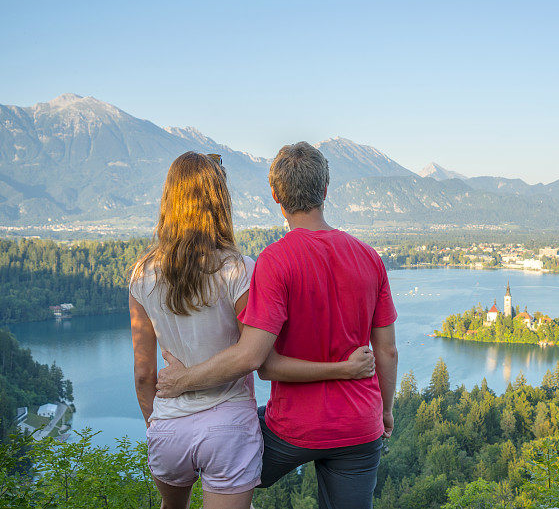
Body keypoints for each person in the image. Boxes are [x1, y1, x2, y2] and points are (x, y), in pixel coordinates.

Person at [156, 142, 399, 509]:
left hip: (292, 431)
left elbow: (265, 365)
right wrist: (385, 410)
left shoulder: (275, 260)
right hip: (359, 426)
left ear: (275, 196)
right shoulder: (369, 257)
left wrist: (184, 383)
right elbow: (387, 350)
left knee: (224, 456)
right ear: (325, 190)